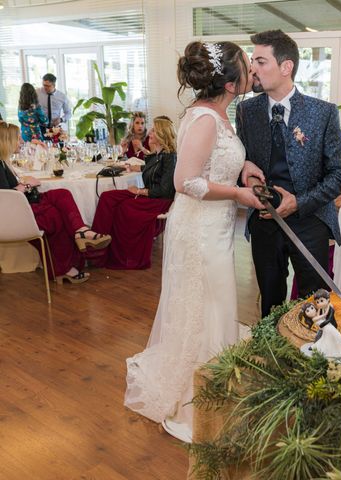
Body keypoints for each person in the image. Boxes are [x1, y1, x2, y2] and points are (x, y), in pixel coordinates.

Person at [124, 41, 263, 443]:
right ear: (232, 82)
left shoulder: (217, 115)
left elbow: (214, 163)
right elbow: (185, 181)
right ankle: (199, 394)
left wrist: (244, 167)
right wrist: (238, 194)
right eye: (246, 67)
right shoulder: (206, 119)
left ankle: (211, 379)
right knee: (210, 302)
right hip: (200, 229)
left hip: (212, 227)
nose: (252, 72)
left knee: (213, 302)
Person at [236, 29, 341, 318]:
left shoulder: (322, 113)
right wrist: (246, 176)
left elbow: (340, 174)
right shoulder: (246, 111)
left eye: (261, 62)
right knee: (270, 302)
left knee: (316, 306)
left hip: (310, 222)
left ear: (286, 67)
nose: (252, 69)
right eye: (252, 62)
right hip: (264, 222)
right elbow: (243, 161)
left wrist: (299, 202)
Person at [0, 122, 111, 283]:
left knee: (62, 194)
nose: (21, 142)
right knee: (56, 217)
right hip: (18, 214)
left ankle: (81, 231)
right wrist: (27, 184)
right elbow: (7, 197)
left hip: (26, 205)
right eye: (17, 139)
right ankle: (64, 268)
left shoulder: (4, 162)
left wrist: (26, 184)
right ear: (7, 141)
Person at [91, 116, 178, 269]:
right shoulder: (158, 154)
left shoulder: (170, 157)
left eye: (153, 131)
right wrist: (131, 166)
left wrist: (139, 191)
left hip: (160, 201)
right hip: (151, 196)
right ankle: (97, 243)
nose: (149, 133)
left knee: (123, 207)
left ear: (162, 135)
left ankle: (115, 254)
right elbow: (148, 168)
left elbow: (165, 190)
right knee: (107, 197)